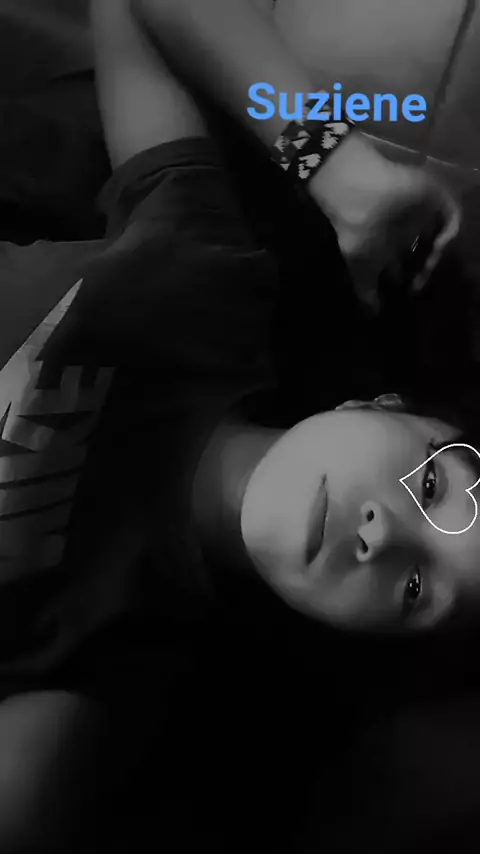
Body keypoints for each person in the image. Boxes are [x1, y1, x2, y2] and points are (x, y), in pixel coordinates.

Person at [0, 0, 472, 850]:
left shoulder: (117, 662)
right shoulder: (212, 280)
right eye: (433, 483)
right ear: (382, 407)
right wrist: (340, 172)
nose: (381, 534)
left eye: (415, 591)